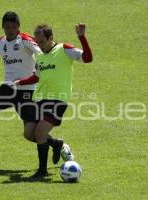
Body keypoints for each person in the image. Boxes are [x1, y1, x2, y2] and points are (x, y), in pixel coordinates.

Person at [0, 11, 65, 164]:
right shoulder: (0, 43)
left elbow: (42, 51)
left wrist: (43, 71)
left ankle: (57, 145)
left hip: (27, 90)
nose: (10, 30)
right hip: (8, 89)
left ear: (18, 27)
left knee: (31, 134)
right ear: (3, 27)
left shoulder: (26, 40)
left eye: (13, 27)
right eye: (7, 27)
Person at [13, 23, 93, 177]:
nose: (40, 46)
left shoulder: (64, 49)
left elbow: (88, 58)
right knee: (29, 134)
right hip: (40, 99)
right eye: (37, 42)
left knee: (41, 132)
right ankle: (57, 144)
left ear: (51, 38)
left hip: (58, 100)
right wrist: (21, 82)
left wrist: (82, 37)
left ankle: (42, 171)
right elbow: (37, 76)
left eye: (42, 42)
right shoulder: (40, 56)